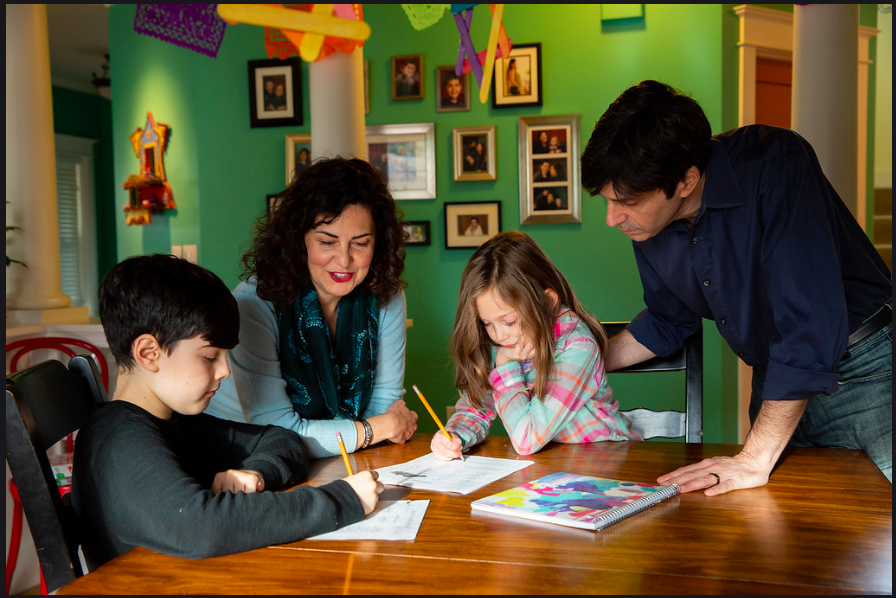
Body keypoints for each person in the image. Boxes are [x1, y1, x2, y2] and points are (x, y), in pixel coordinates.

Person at [580, 80, 893, 493]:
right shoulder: (649, 224)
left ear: (686, 181)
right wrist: (575, 362)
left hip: (866, 372)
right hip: (777, 383)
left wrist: (754, 456)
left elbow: (806, 323)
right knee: (784, 535)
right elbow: (669, 320)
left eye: (628, 201)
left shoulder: (776, 164)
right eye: (607, 200)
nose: (612, 218)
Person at [71, 254, 383, 568]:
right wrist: (341, 500)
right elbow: (199, 526)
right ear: (149, 353)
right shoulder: (119, 440)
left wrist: (256, 473)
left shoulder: (175, 423)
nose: (224, 371)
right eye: (209, 357)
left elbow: (282, 439)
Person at [205, 157, 418, 458]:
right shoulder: (254, 304)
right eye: (327, 242)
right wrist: (376, 429)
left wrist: (378, 427)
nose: (344, 260)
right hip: (244, 458)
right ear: (298, 240)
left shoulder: (386, 295)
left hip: (345, 457)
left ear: (379, 243)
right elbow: (278, 433)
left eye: (360, 243)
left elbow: (384, 403)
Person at [431, 231, 641, 460]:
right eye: (487, 323)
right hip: (550, 466)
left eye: (509, 321)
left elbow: (526, 440)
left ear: (548, 303)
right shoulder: (502, 342)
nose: (499, 336)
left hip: (607, 465)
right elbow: (476, 408)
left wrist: (504, 365)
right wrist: (456, 435)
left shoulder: (578, 346)